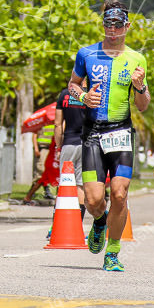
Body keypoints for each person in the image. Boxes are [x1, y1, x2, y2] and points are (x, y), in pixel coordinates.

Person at [67, 0, 149, 272]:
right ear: (102, 25)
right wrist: (84, 96)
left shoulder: (137, 58)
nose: (112, 29)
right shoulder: (86, 54)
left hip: (121, 131)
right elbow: (72, 86)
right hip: (92, 133)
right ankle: (100, 221)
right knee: (92, 200)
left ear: (127, 26)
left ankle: (112, 252)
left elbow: (143, 105)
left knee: (120, 193)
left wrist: (140, 87)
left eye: (118, 25)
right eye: (108, 24)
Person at [51, 85, 88, 220]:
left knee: (64, 184)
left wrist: (59, 145)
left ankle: (56, 226)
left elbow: (57, 124)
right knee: (80, 185)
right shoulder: (91, 94)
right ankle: (77, 224)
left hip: (69, 143)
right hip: (86, 145)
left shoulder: (64, 94)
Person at [24, 118, 57, 203]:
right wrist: (36, 149)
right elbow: (34, 135)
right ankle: (31, 195)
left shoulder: (56, 123)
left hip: (52, 151)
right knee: (41, 173)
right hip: (42, 149)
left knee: (47, 175)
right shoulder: (42, 122)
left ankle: (44, 192)